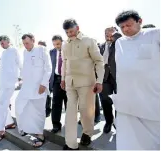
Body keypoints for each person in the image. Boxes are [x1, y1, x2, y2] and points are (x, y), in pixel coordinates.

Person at [114, 10, 160, 150]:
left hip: (151, 96)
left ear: (140, 21)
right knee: (128, 138)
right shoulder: (120, 42)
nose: (125, 29)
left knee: (153, 137)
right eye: (122, 27)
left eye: (128, 25)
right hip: (127, 98)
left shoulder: (155, 34)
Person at [61, 19, 104, 150]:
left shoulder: (89, 41)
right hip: (70, 83)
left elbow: (99, 61)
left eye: (71, 31)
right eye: (67, 32)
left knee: (86, 111)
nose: (70, 34)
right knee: (70, 112)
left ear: (77, 28)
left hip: (87, 82)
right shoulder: (64, 44)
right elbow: (64, 62)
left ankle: (87, 133)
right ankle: (71, 143)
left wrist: (99, 81)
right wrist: (63, 78)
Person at [15, 33, 52, 148]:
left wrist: (44, 84)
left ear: (33, 40)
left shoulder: (42, 50)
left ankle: (40, 135)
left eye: (27, 43)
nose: (25, 46)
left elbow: (48, 68)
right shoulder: (25, 52)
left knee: (38, 111)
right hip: (27, 86)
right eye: (24, 44)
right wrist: (21, 79)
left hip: (39, 87)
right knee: (19, 105)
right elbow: (25, 68)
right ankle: (25, 128)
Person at [0, 35, 22, 142]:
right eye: (0, 43)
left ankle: (0, 131)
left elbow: (21, 64)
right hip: (3, 82)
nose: (1, 45)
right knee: (3, 103)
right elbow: (1, 67)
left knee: (1, 104)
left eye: (3, 43)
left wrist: (23, 78)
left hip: (10, 82)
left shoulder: (14, 50)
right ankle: (10, 123)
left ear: (8, 42)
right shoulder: (3, 53)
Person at [98, 27, 122, 133]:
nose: (108, 36)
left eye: (110, 34)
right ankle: (109, 121)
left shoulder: (119, 43)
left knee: (119, 101)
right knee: (105, 100)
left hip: (118, 77)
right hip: (104, 78)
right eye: (106, 34)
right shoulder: (101, 46)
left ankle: (118, 123)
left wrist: (115, 35)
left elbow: (120, 38)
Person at [49, 35, 67, 133]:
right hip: (56, 80)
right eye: (54, 44)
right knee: (56, 103)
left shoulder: (68, 50)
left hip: (68, 80)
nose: (56, 46)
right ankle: (56, 124)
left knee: (69, 102)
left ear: (62, 42)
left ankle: (69, 124)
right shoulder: (51, 52)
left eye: (58, 44)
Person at [38, 40, 52, 117]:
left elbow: (50, 67)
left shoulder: (48, 53)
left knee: (48, 94)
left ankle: (48, 110)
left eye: (41, 45)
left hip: (48, 78)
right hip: (41, 78)